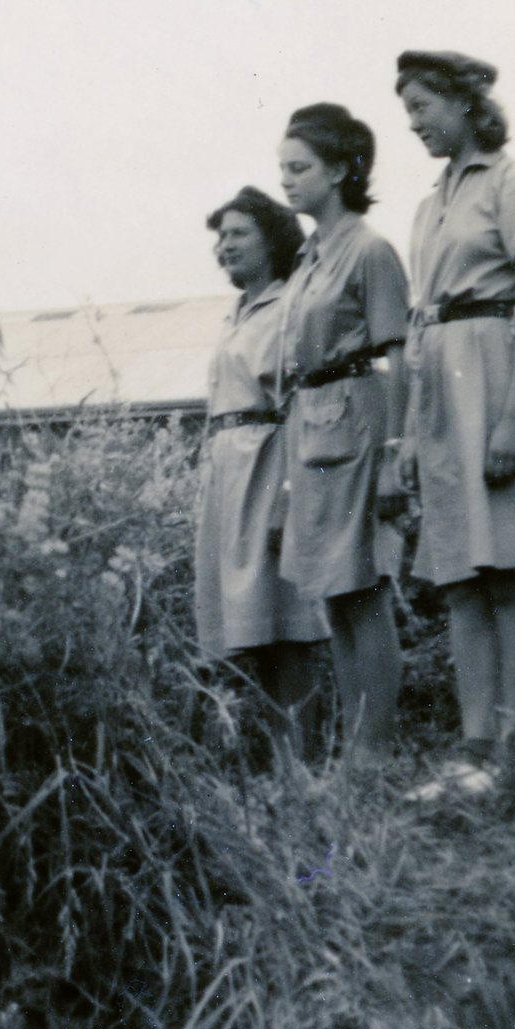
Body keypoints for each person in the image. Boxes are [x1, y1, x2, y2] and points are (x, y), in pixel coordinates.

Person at [395, 49, 515, 788]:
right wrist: (412, 428)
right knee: (459, 577)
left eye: (423, 107)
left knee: (510, 572)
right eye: (407, 111)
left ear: (466, 103)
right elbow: (421, 322)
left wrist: (511, 420)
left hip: (500, 376)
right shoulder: (428, 203)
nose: (414, 124)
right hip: (442, 387)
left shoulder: (514, 183)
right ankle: (476, 748)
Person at [273, 105, 410, 755]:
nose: (287, 181)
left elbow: (399, 355)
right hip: (312, 431)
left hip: (357, 423)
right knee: (332, 593)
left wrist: (392, 456)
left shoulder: (369, 250)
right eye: (283, 169)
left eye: (299, 168)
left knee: (362, 591)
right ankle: (357, 746)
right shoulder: (308, 259)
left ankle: (374, 754)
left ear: (340, 170)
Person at [193, 184, 329, 759]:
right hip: (230, 472)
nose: (225, 246)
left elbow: (305, 402)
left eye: (238, 234)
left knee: (289, 623)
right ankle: (282, 768)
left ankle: (306, 765)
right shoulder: (238, 314)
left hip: (271, 466)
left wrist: (289, 496)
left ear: (272, 239)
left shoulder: (290, 308)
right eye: (220, 237)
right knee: (255, 626)